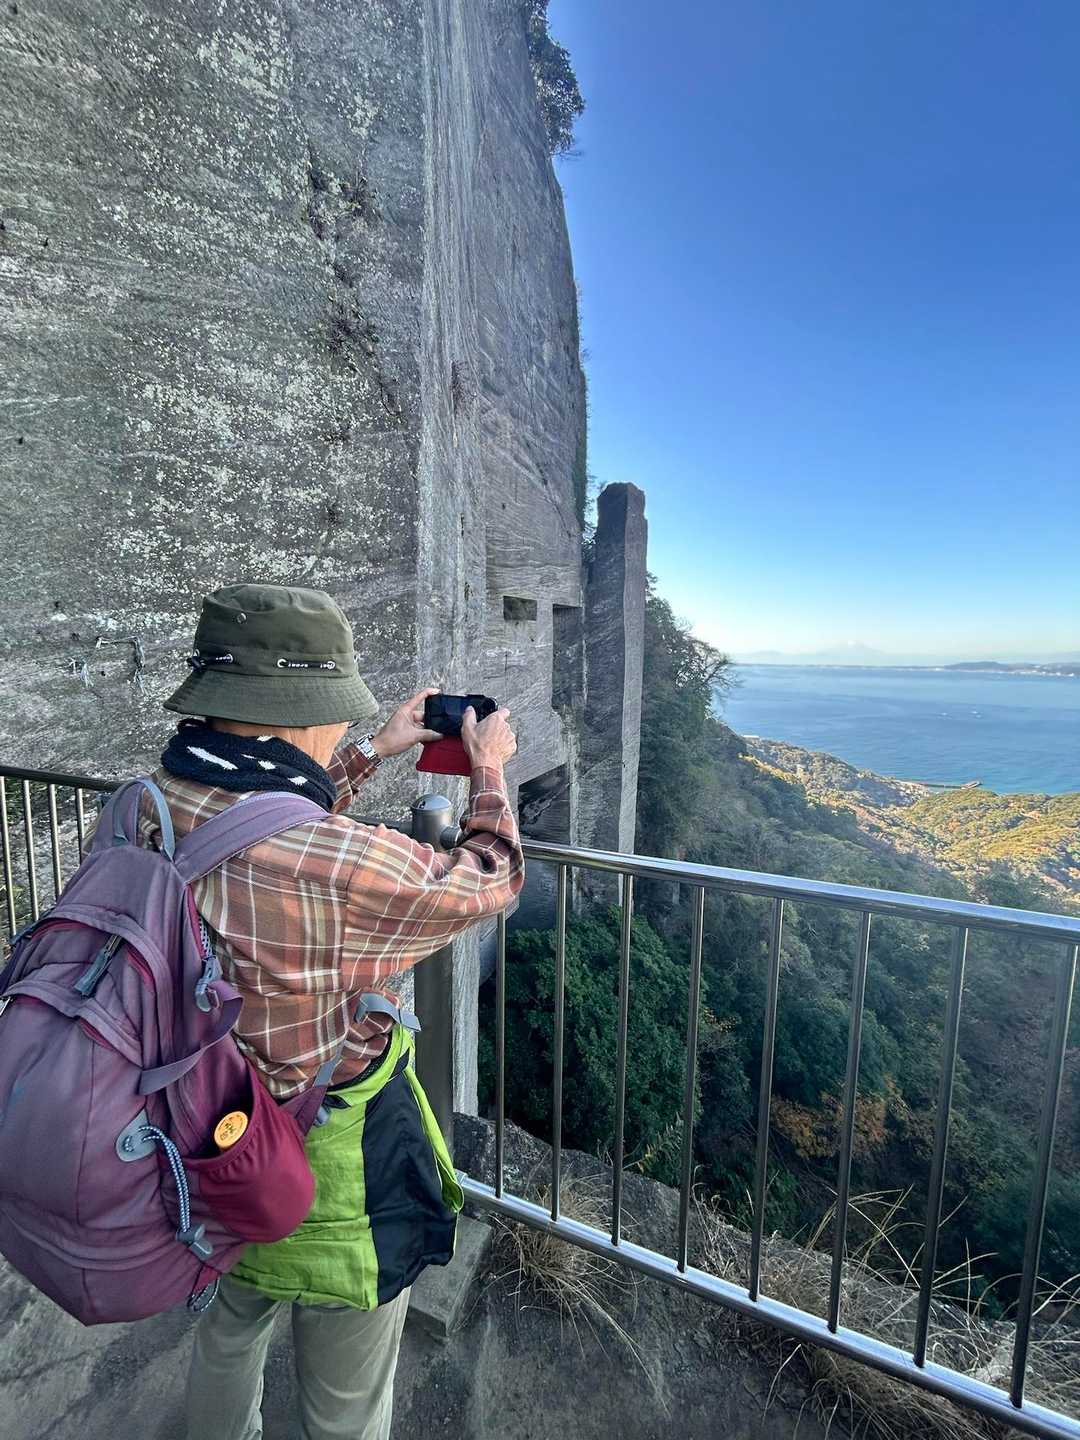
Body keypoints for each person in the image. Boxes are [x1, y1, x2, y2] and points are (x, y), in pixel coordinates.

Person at [140, 582, 523, 1440]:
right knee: (347, 1384)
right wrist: (490, 768)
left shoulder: (155, 800)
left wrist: (374, 751)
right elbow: (491, 878)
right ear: (300, 710)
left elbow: (263, 820)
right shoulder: (338, 861)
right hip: (322, 1155)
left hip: (197, 1125)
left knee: (229, 1324)